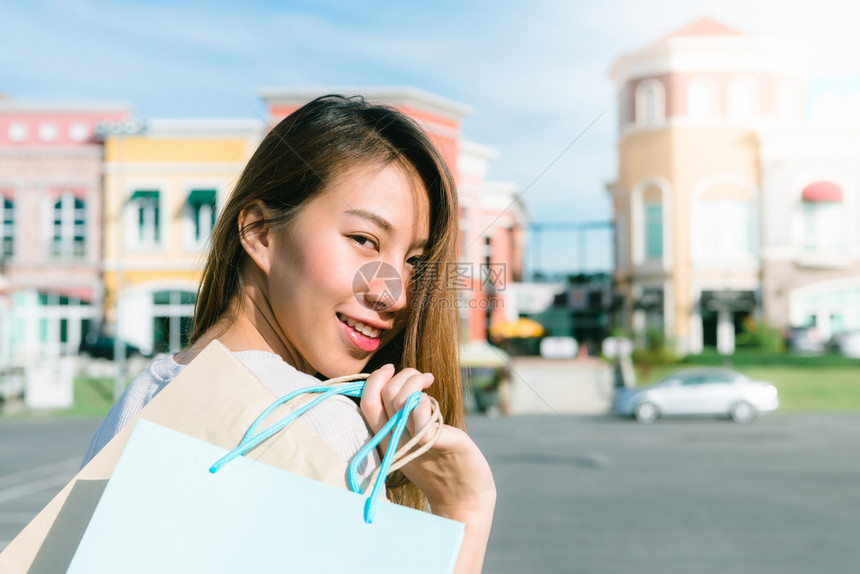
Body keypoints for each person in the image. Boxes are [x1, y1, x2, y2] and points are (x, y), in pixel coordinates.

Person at [82, 94, 496, 572]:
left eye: (413, 261)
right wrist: (465, 509)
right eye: (364, 240)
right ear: (259, 231)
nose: (396, 294)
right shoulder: (325, 430)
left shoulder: (136, 401)